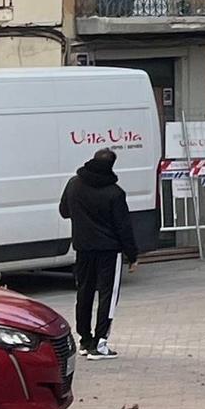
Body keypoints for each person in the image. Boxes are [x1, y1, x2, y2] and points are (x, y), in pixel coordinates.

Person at [59, 148, 138, 360]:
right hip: (109, 250)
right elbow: (123, 227)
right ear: (112, 165)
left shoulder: (73, 184)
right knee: (107, 295)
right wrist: (133, 255)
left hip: (83, 247)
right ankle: (101, 342)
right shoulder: (115, 192)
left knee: (84, 292)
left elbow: (64, 211)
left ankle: (85, 339)